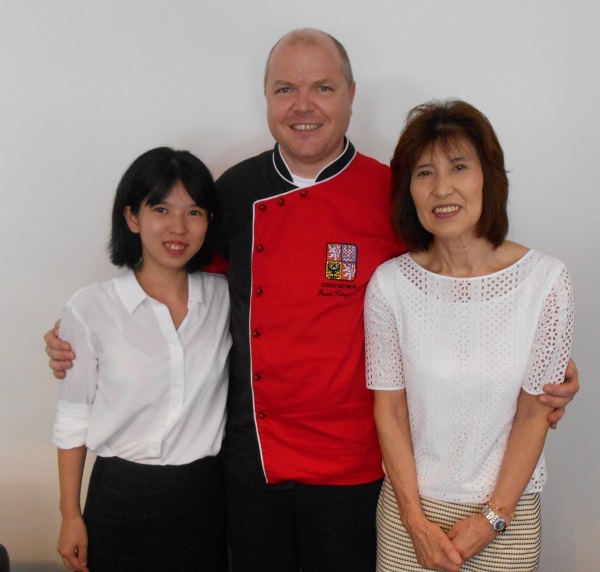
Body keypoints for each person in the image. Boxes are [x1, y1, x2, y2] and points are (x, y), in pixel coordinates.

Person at [45, 30, 579, 571]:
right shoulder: (234, 192)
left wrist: (536, 367)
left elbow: (453, 284)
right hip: (252, 462)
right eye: (285, 89)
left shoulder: (393, 192)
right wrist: (84, 333)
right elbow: (174, 280)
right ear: (266, 99)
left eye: (322, 88)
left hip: (358, 465)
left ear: (351, 95)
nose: (303, 106)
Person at [364, 100, 574, 571]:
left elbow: (535, 413)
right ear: (409, 190)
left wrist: (493, 518)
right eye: (424, 173)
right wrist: (415, 522)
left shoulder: (545, 281)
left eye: (459, 166)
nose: (442, 188)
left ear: (488, 178)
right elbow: (390, 410)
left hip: (506, 516)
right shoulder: (390, 286)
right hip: (408, 515)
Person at [52, 147, 230, 572]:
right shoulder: (91, 307)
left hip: (206, 495)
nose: (178, 227)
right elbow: (73, 418)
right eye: (161, 209)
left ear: (208, 221)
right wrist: (70, 515)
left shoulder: (225, 297)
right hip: (121, 495)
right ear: (132, 217)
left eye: (193, 212)